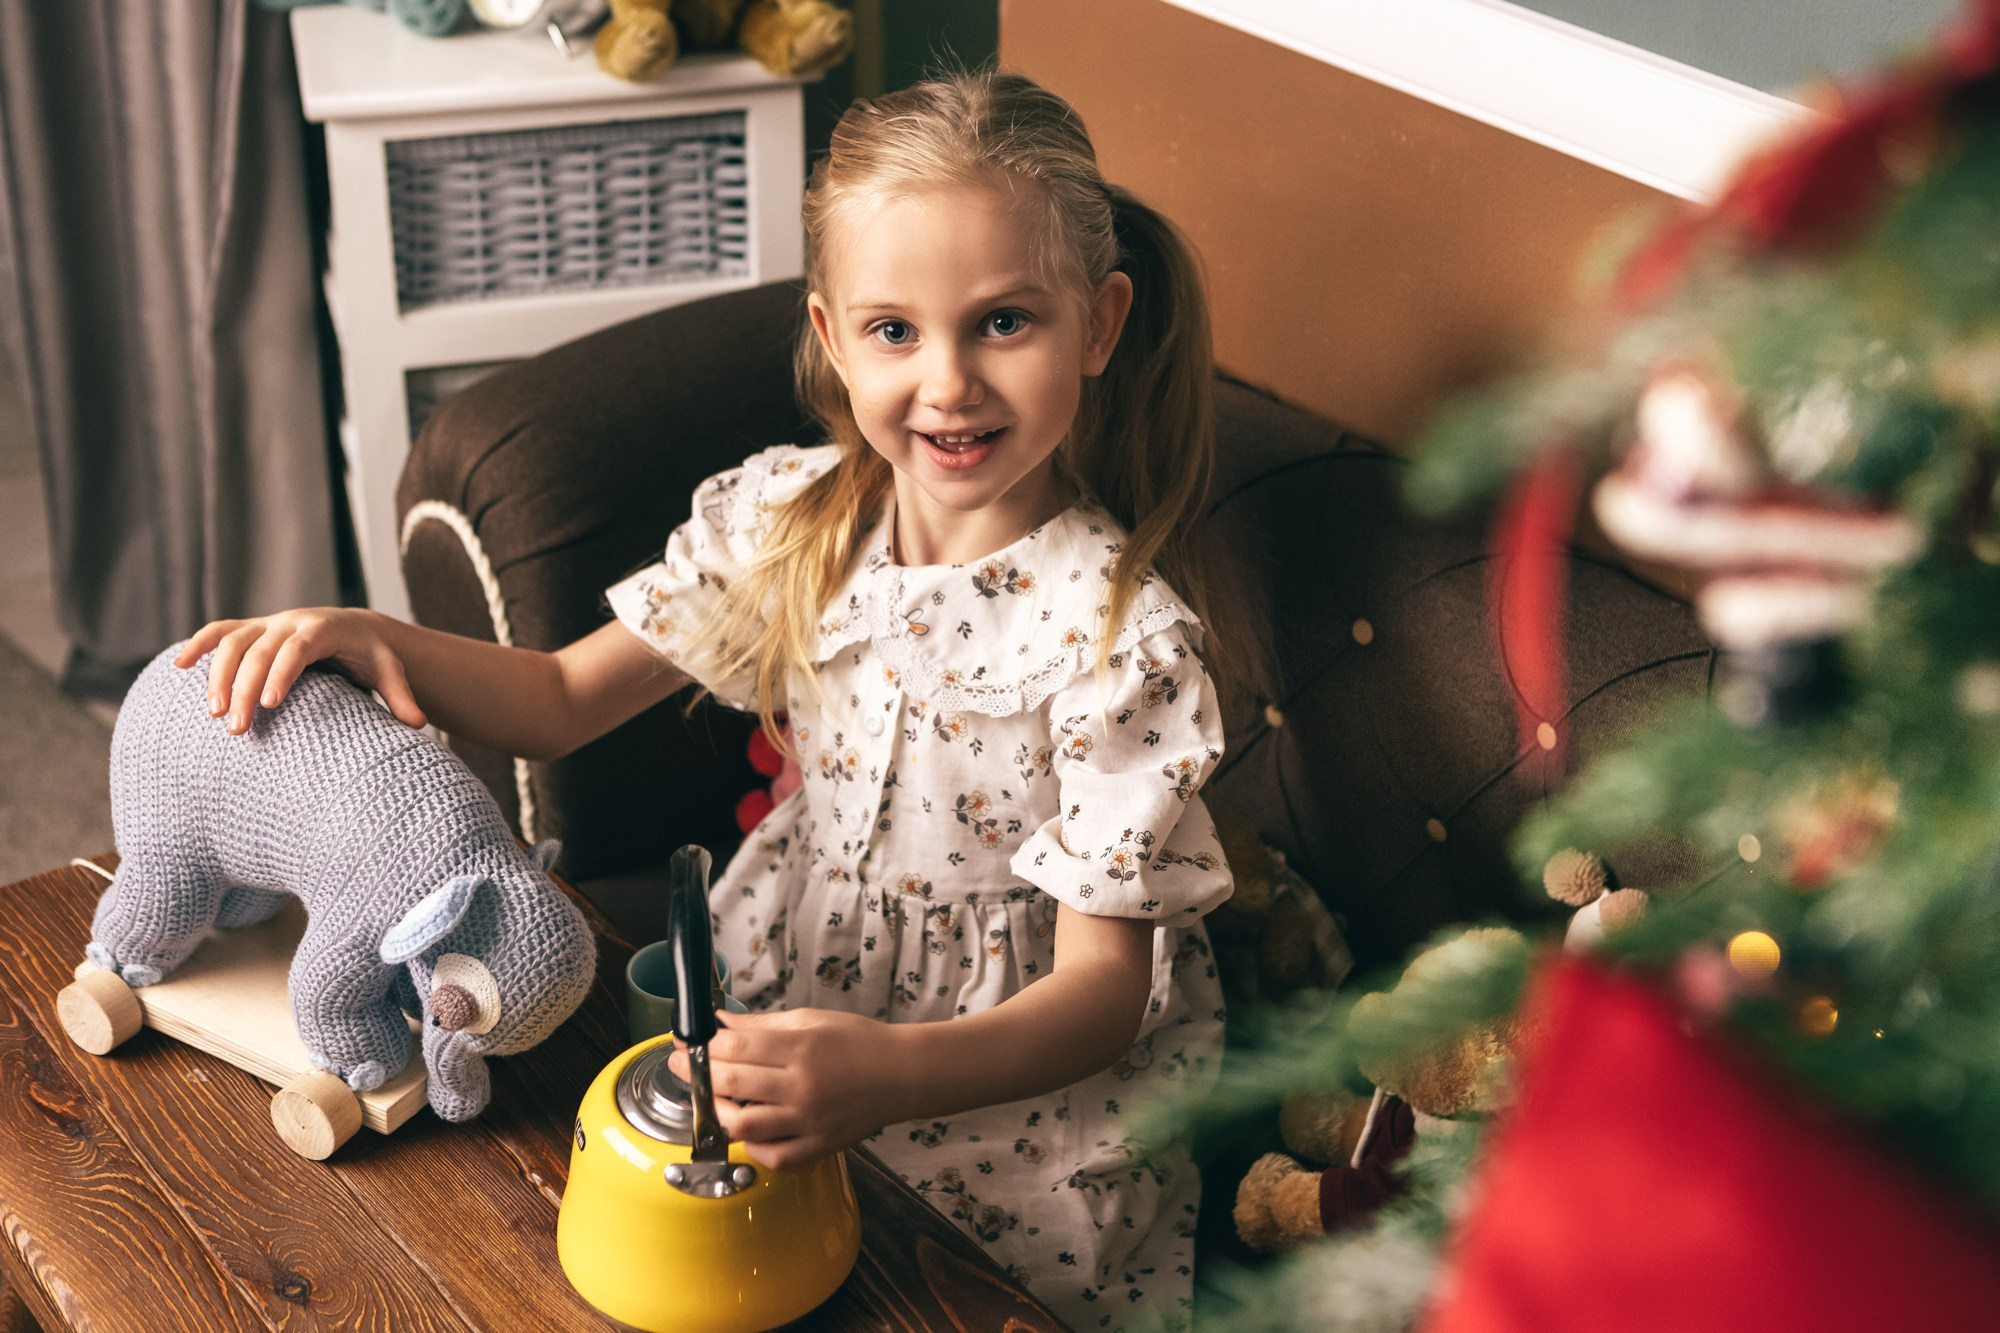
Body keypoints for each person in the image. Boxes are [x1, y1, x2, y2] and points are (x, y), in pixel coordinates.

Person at [181, 71, 1235, 1330]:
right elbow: (562, 697)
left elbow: (1101, 996)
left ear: (1099, 325)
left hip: (1005, 1076)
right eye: (894, 331)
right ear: (833, 337)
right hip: (790, 962)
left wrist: (887, 1074)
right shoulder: (792, 521)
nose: (946, 382)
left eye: (1003, 322)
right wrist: (362, 633)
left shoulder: (1124, 640)